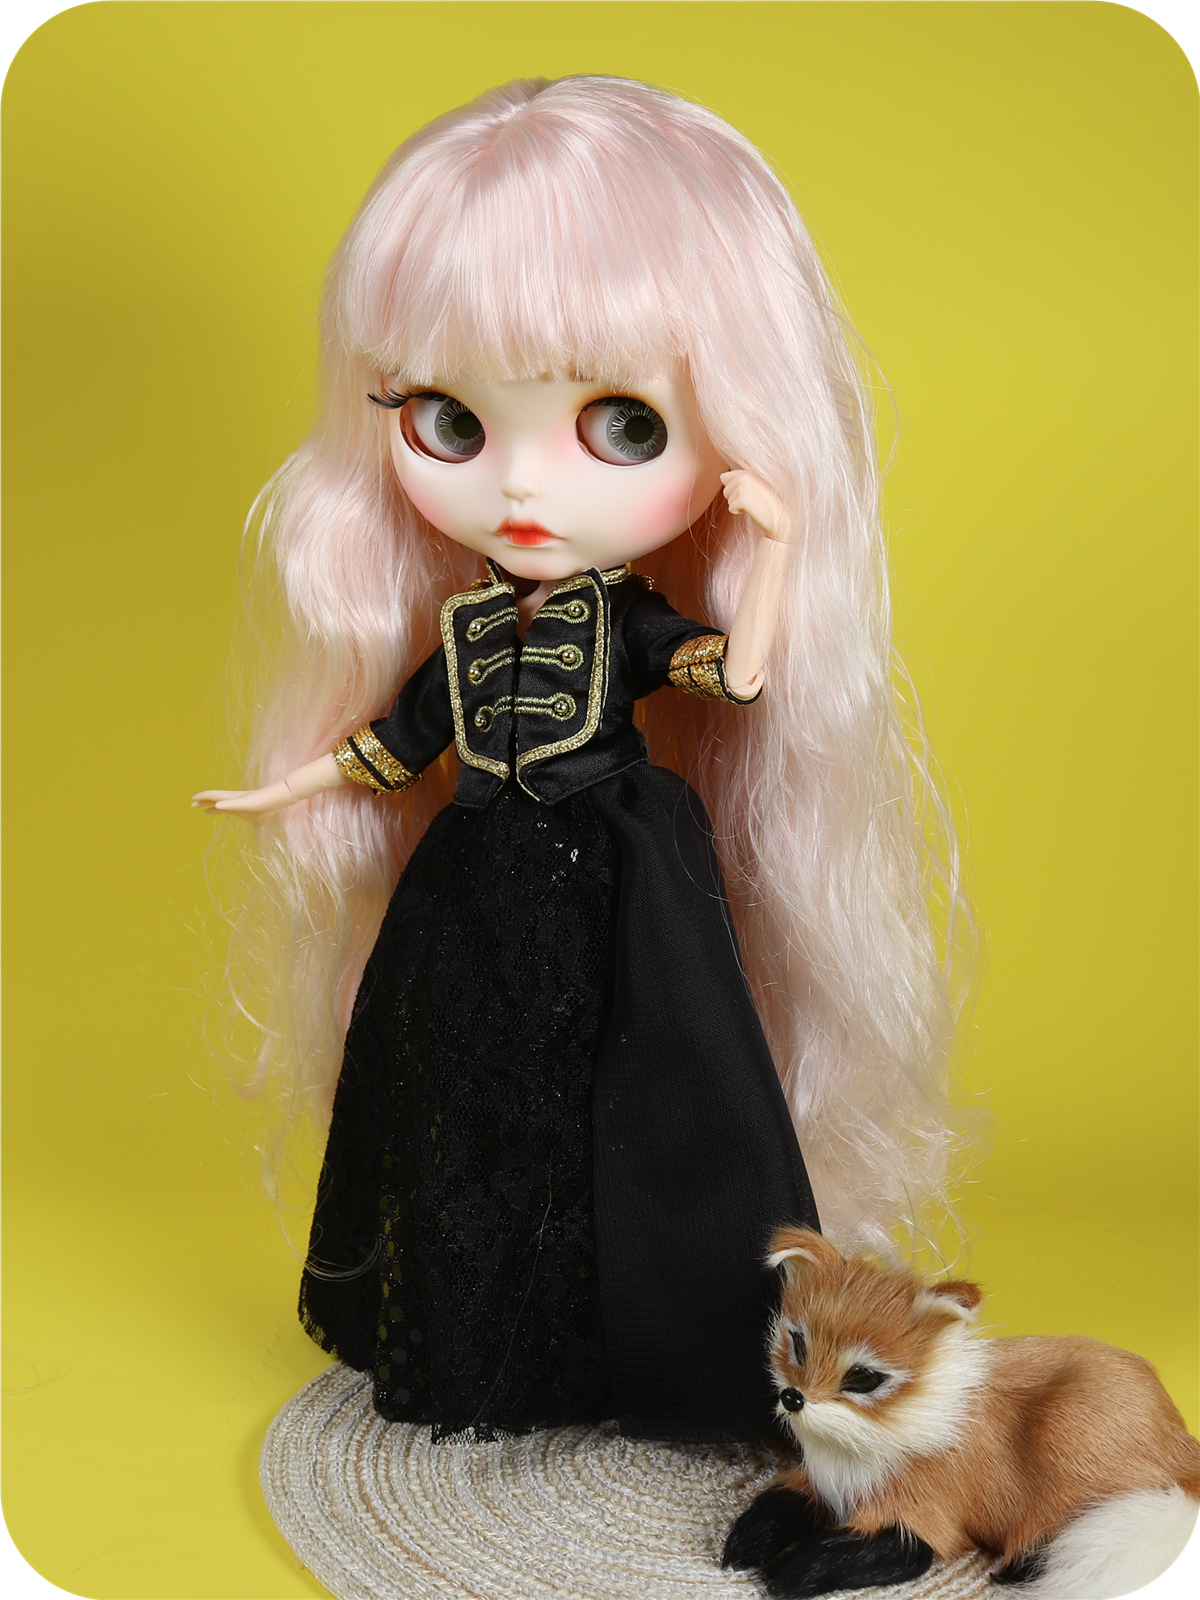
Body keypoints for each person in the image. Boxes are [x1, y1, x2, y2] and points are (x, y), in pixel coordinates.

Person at [195, 76, 965, 1445]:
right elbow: (394, 743)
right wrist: (283, 787)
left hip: (619, 872)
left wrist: (778, 550)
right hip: (474, 885)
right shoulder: (464, 630)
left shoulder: (630, 623)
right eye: (450, 421)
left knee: (647, 1093)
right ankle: (503, 1343)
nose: (520, 487)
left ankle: (650, 1340)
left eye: (622, 427)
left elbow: (736, 675)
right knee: (475, 1105)